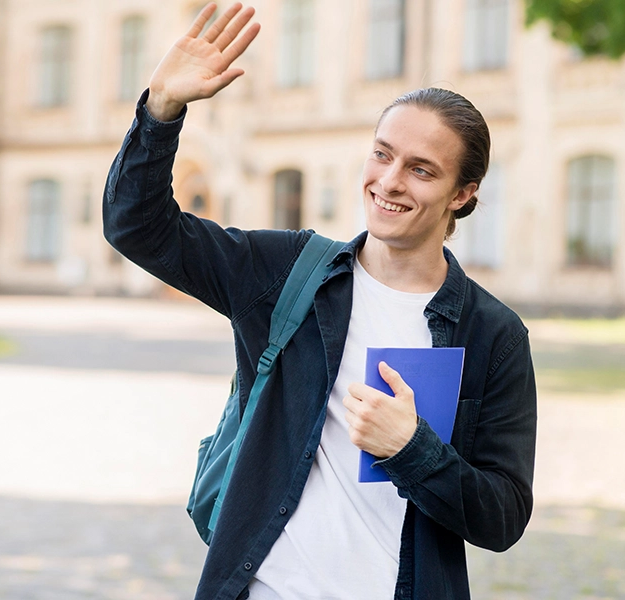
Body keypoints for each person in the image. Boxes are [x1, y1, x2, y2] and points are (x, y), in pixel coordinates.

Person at [102, 3, 537, 599]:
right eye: (382, 154)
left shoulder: (492, 334)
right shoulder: (287, 273)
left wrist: (413, 451)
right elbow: (137, 227)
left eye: (421, 170)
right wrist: (160, 110)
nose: (389, 181)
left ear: (462, 194)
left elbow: (503, 517)